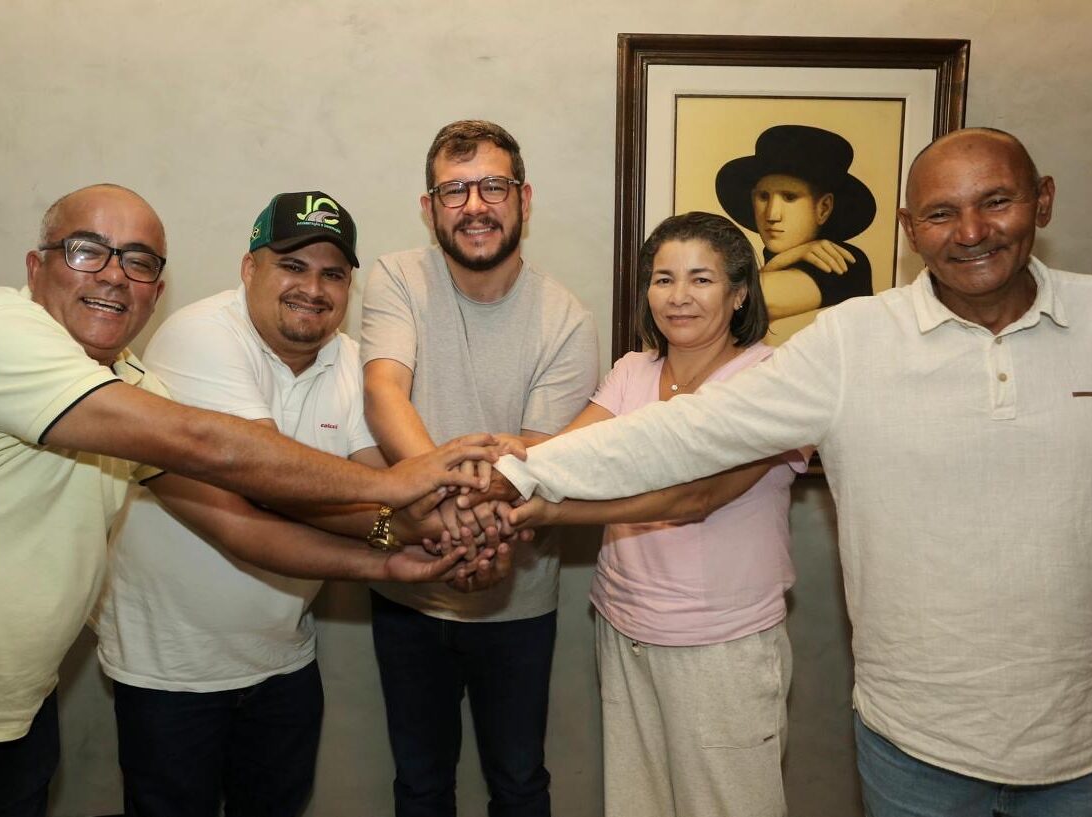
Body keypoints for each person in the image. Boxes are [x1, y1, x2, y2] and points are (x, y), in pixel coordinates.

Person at [486, 129, 1092, 816]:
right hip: (914, 742)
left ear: (1042, 201)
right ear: (910, 228)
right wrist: (512, 472)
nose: (970, 231)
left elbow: (694, 490)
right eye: (941, 213)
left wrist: (529, 493)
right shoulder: (850, 340)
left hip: (1086, 746)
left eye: (996, 202)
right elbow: (679, 433)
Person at [0, 184, 499, 816]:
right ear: (35, 265)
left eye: (138, 262)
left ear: (156, 288)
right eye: (86, 251)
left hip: (13, 709)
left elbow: (241, 526)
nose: (115, 276)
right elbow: (216, 449)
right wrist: (394, 488)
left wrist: (395, 560)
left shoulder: (126, 378)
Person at [93, 190, 509, 817]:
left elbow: (377, 482)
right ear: (249, 267)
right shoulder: (200, 334)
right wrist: (407, 520)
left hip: (284, 657)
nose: (313, 289)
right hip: (172, 666)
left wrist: (458, 536)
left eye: (333, 274)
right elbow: (265, 484)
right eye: (292, 266)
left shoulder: (350, 360)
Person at [510, 212, 805, 817]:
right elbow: (564, 456)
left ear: (739, 293)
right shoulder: (631, 372)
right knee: (636, 804)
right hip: (625, 630)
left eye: (701, 279)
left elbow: (697, 496)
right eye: (663, 279)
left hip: (721, 645)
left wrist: (549, 509)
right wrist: (494, 467)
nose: (678, 296)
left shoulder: (771, 383)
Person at [360, 120, 599, 816]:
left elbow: (537, 461)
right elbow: (384, 392)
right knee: (419, 785)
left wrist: (464, 523)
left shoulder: (567, 319)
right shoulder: (396, 277)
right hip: (406, 588)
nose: (474, 206)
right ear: (429, 207)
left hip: (517, 598)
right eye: (454, 190)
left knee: (519, 782)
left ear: (524, 197)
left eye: (493, 186)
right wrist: (443, 506)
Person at [716, 124, 876, 320]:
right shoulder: (774, 265)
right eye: (763, 196)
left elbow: (738, 299)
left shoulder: (840, 261)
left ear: (823, 208)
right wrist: (783, 259)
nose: (772, 214)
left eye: (790, 197)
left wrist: (781, 260)